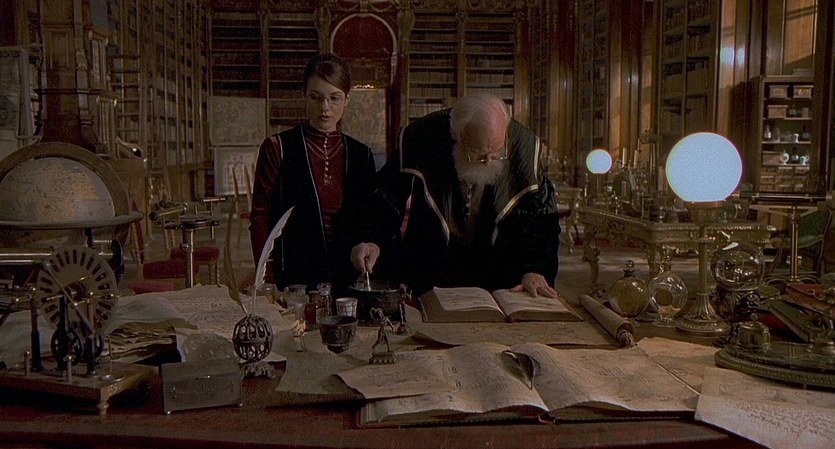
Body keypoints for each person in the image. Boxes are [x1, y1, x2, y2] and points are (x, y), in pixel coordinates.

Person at [351, 92, 561, 298]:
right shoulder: (423, 136)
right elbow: (385, 197)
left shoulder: (524, 146)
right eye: (479, 155)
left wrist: (537, 268)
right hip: (433, 263)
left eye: (497, 152)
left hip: (499, 267)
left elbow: (543, 216)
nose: (488, 162)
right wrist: (372, 239)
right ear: (456, 136)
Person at [248, 53, 377, 295]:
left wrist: (368, 245)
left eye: (334, 98)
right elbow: (260, 216)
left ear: (347, 100)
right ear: (304, 95)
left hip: (347, 273)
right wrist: (266, 278)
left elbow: (369, 219)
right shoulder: (278, 147)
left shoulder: (361, 155)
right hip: (293, 275)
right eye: (316, 97)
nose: (325, 108)